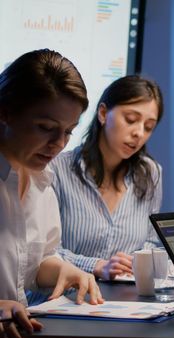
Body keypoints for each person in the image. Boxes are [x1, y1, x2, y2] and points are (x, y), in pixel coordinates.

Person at [0, 49, 104, 338]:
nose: (58, 144)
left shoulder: (41, 180)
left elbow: (35, 260)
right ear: (5, 111)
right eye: (46, 128)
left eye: (69, 132)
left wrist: (62, 269)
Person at [49, 75, 164, 281]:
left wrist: (134, 262)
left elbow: (151, 242)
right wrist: (97, 266)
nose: (139, 133)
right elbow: (46, 253)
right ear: (103, 113)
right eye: (130, 119)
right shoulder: (58, 168)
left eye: (148, 127)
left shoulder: (150, 172)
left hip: (125, 300)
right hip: (65, 300)